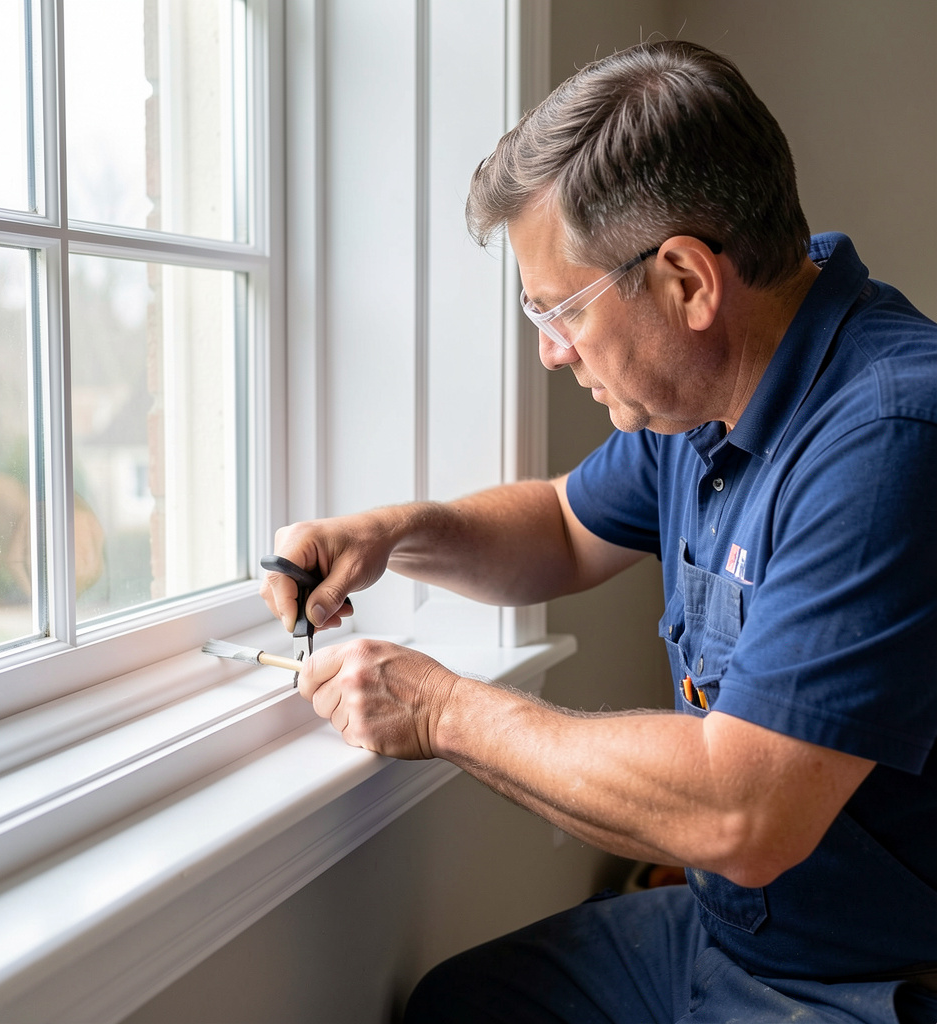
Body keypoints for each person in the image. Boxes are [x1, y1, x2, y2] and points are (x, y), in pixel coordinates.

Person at [261, 40, 937, 1024]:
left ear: (687, 282)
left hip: (865, 984)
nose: (549, 351)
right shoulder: (702, 399)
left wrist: (442, 710)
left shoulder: (886, 438)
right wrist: (393, 532)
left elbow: (740, 812)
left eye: (560, 308)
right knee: (462, 1008)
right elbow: (564, 528)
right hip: (723, 931)